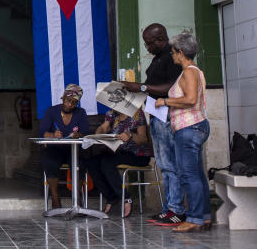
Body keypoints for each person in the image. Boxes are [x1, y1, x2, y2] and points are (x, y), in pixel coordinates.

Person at [118, 23, 184, 225]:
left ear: (160, 40)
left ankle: (177, 210)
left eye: (148, 44)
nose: (146, 47)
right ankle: (169, 208)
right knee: (164, 164)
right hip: (155, 114)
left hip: (166, 115)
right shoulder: (158, 57)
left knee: (171, 165)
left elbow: (172, 86)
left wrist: (142, 86)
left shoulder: (172, 57)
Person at [155, 32, 212, 233]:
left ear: (181, 52)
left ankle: (195, 218)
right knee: (198, 175)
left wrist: (165, 101)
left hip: (189, 128)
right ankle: (204, 216)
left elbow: (189, 100)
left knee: (189, 175)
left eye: (173, 52)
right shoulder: (195, 71)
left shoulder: (189, 72)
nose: (172, 56)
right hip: (196, 126)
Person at [83, 109, 151, 216]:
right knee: (92, 162)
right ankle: (112, 197)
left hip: (138, 155)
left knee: (107, 161)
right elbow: (103, 127)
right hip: (118, 153)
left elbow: (143, 138)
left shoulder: (137, 113)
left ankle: (126, 198)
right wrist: (99, 135)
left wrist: (131, 135)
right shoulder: (111, 114)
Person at [38, 84, 89, 208]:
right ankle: (56, 199)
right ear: (63, 98)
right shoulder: (52, 111)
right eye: (68, 101)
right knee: (50, 162)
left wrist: (78, 134)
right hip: (55, 149)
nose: (70, 104)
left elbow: (85, 132)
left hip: (74, 149)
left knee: (79, 164)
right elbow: (42, 132)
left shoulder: (80, 113)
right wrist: (52, 134)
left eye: (74, 102)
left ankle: (77, 199)